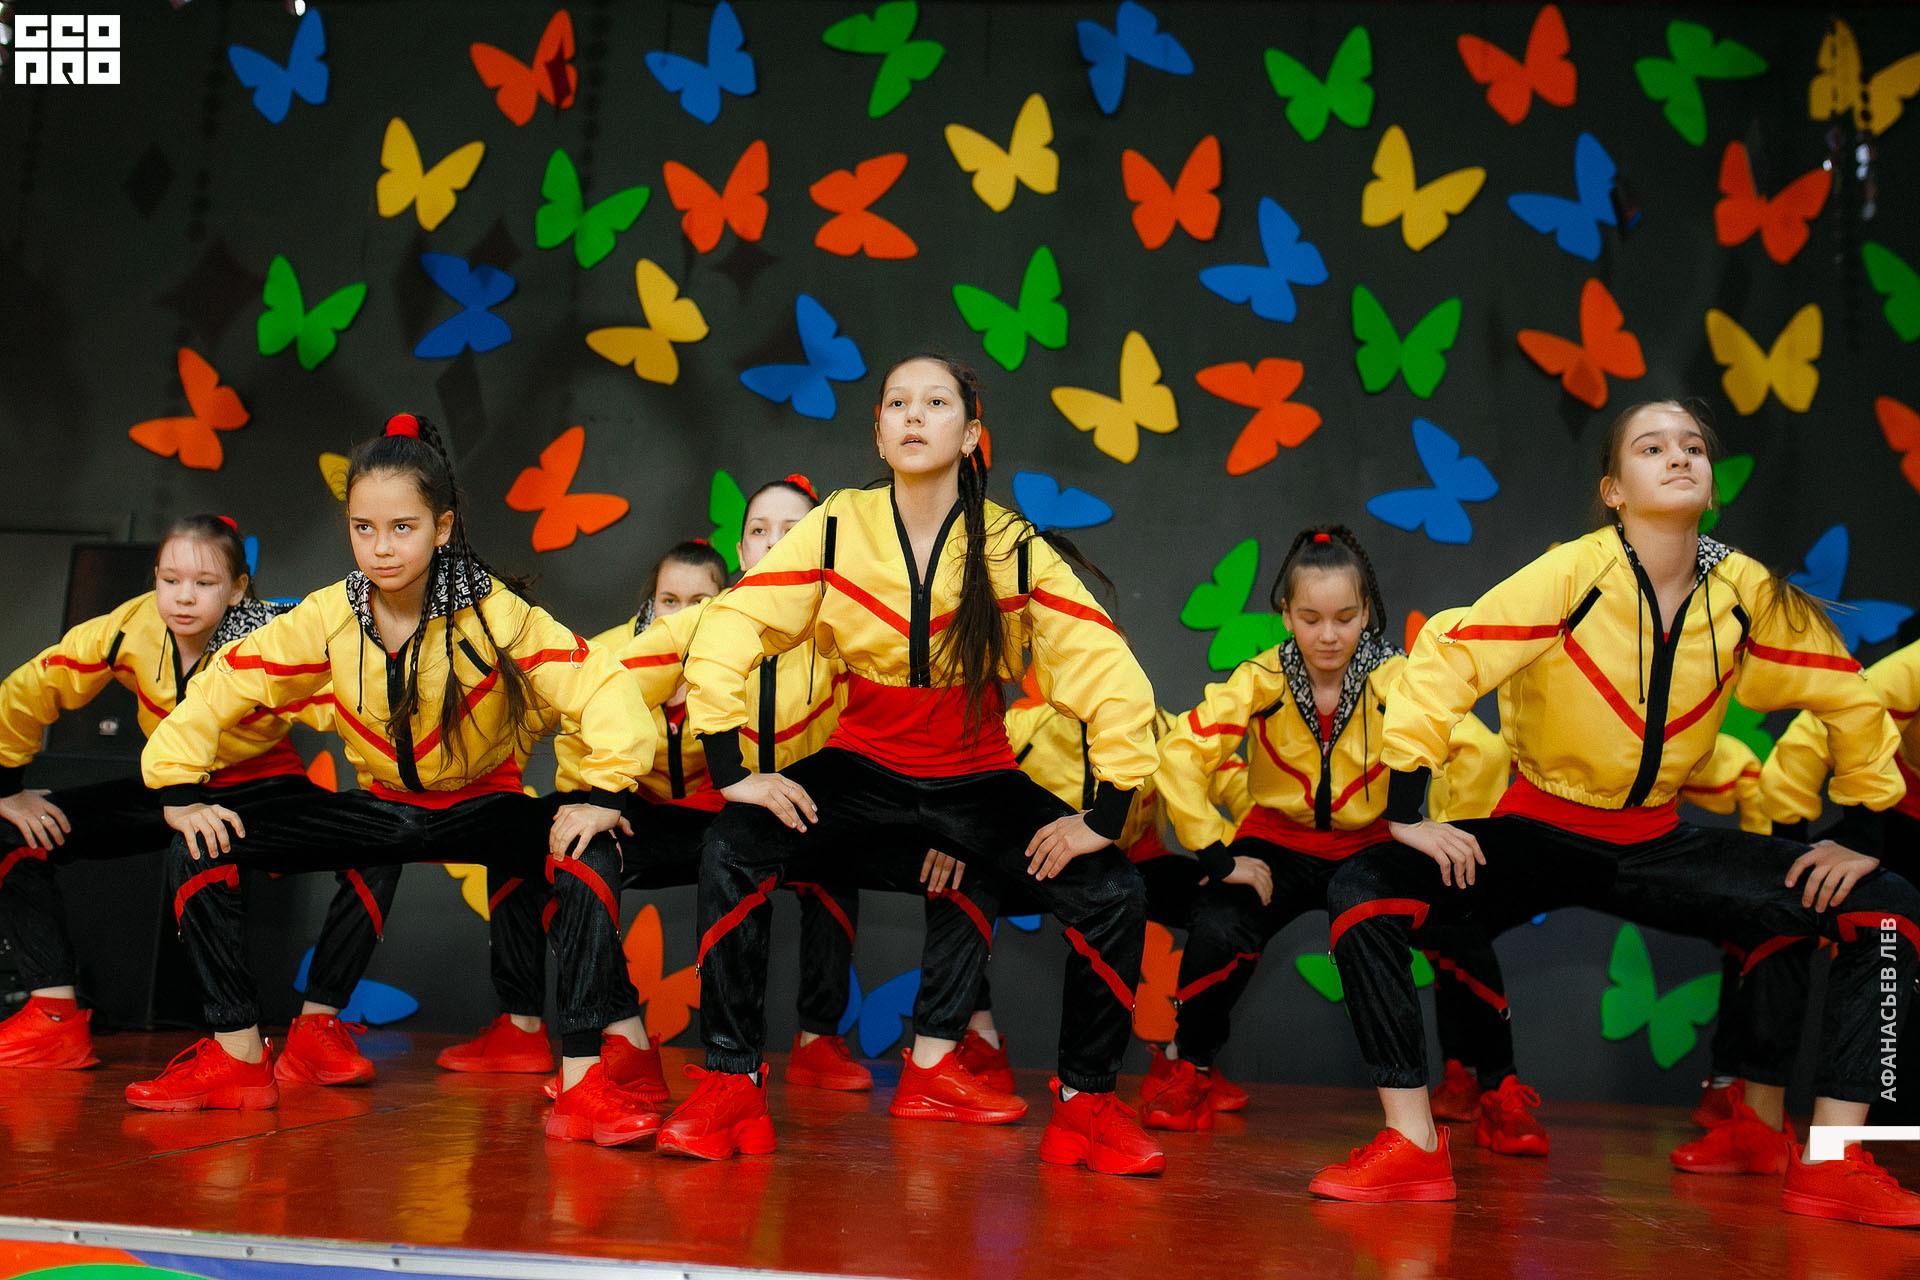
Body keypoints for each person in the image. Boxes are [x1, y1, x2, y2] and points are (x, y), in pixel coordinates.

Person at [1311, 399, 1919, 1228]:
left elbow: (1845, 691)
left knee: (1886, 907)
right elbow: (1452, 656)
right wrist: (1408, 808)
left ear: (1711, 484)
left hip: (1657, 842)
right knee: (1362, 889)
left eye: (1693, 447)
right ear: (1614, 489)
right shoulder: (1573, 572)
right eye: (1652, 447)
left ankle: (1834, 1159)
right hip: (1537, 830)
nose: (1679, 457)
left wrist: (1865, 827)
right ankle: (1412, 1144)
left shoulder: (1742, 588)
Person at [659, 354, 1165, 1174]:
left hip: (977, 771)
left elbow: (1104, 664)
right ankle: (730, 1085)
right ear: (879, 433)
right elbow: (734, 621)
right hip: (862, 762)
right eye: (897, 403)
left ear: (970, 435)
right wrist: (729, 768)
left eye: (935, 402)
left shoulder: (1012, 546)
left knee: (1114, 892)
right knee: (733, 845)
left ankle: (1088, 1105)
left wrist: (1104, 817)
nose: (914, 415)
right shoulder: (835, 525)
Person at [133, 414, 661, 1149]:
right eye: (364, 529)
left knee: (589, 852)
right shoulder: (329, 613)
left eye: (402, 528)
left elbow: (597, 682)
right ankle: (239, 1056)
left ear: (441, 528)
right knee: (196, 844)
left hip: (483, 805)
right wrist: (179, 786)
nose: (381, 548)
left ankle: (583, 1083)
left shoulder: (493, 610)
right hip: (380, 808)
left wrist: (603, 793)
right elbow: (231, 677)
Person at [0, 514, 394, 1079]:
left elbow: (347, 702)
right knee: (9, 831)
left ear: (237, 589)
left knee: (380, 847)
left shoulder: (270, 636)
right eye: (170, 580)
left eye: (205, 583)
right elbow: (35, 684)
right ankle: (54, 1016)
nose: (183, 597)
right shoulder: (128, 627)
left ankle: (317, 1028)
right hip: (172, 789)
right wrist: (8, 788)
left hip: (264, 787)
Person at [1145, 542, 1514, 1141]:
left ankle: (1495, 1087)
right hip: (1277, 839)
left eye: (1344, 618)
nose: (1328, 635)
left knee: (1460, 924)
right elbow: (1179, 751)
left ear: (1367, 612)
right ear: (1286, 614)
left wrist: (1449, 828)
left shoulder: (1397, 678)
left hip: (1372, 842)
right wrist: (1215, 851)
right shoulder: (1261, 678)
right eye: (1311, 618)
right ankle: (1191, 1068)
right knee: (1219, 919)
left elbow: (1483, 751)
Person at [435, 538, 734, 1079]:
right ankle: (524, 1026)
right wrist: (599, 804)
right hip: (630, 812)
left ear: (723, 603)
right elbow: (574, 742)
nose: (682, 616)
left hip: (716, 820)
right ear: (650, 603)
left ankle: (777, 1049)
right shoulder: (608, 654)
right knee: (529, 840)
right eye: (670, 601)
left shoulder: (748, 656)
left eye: (700, 602)